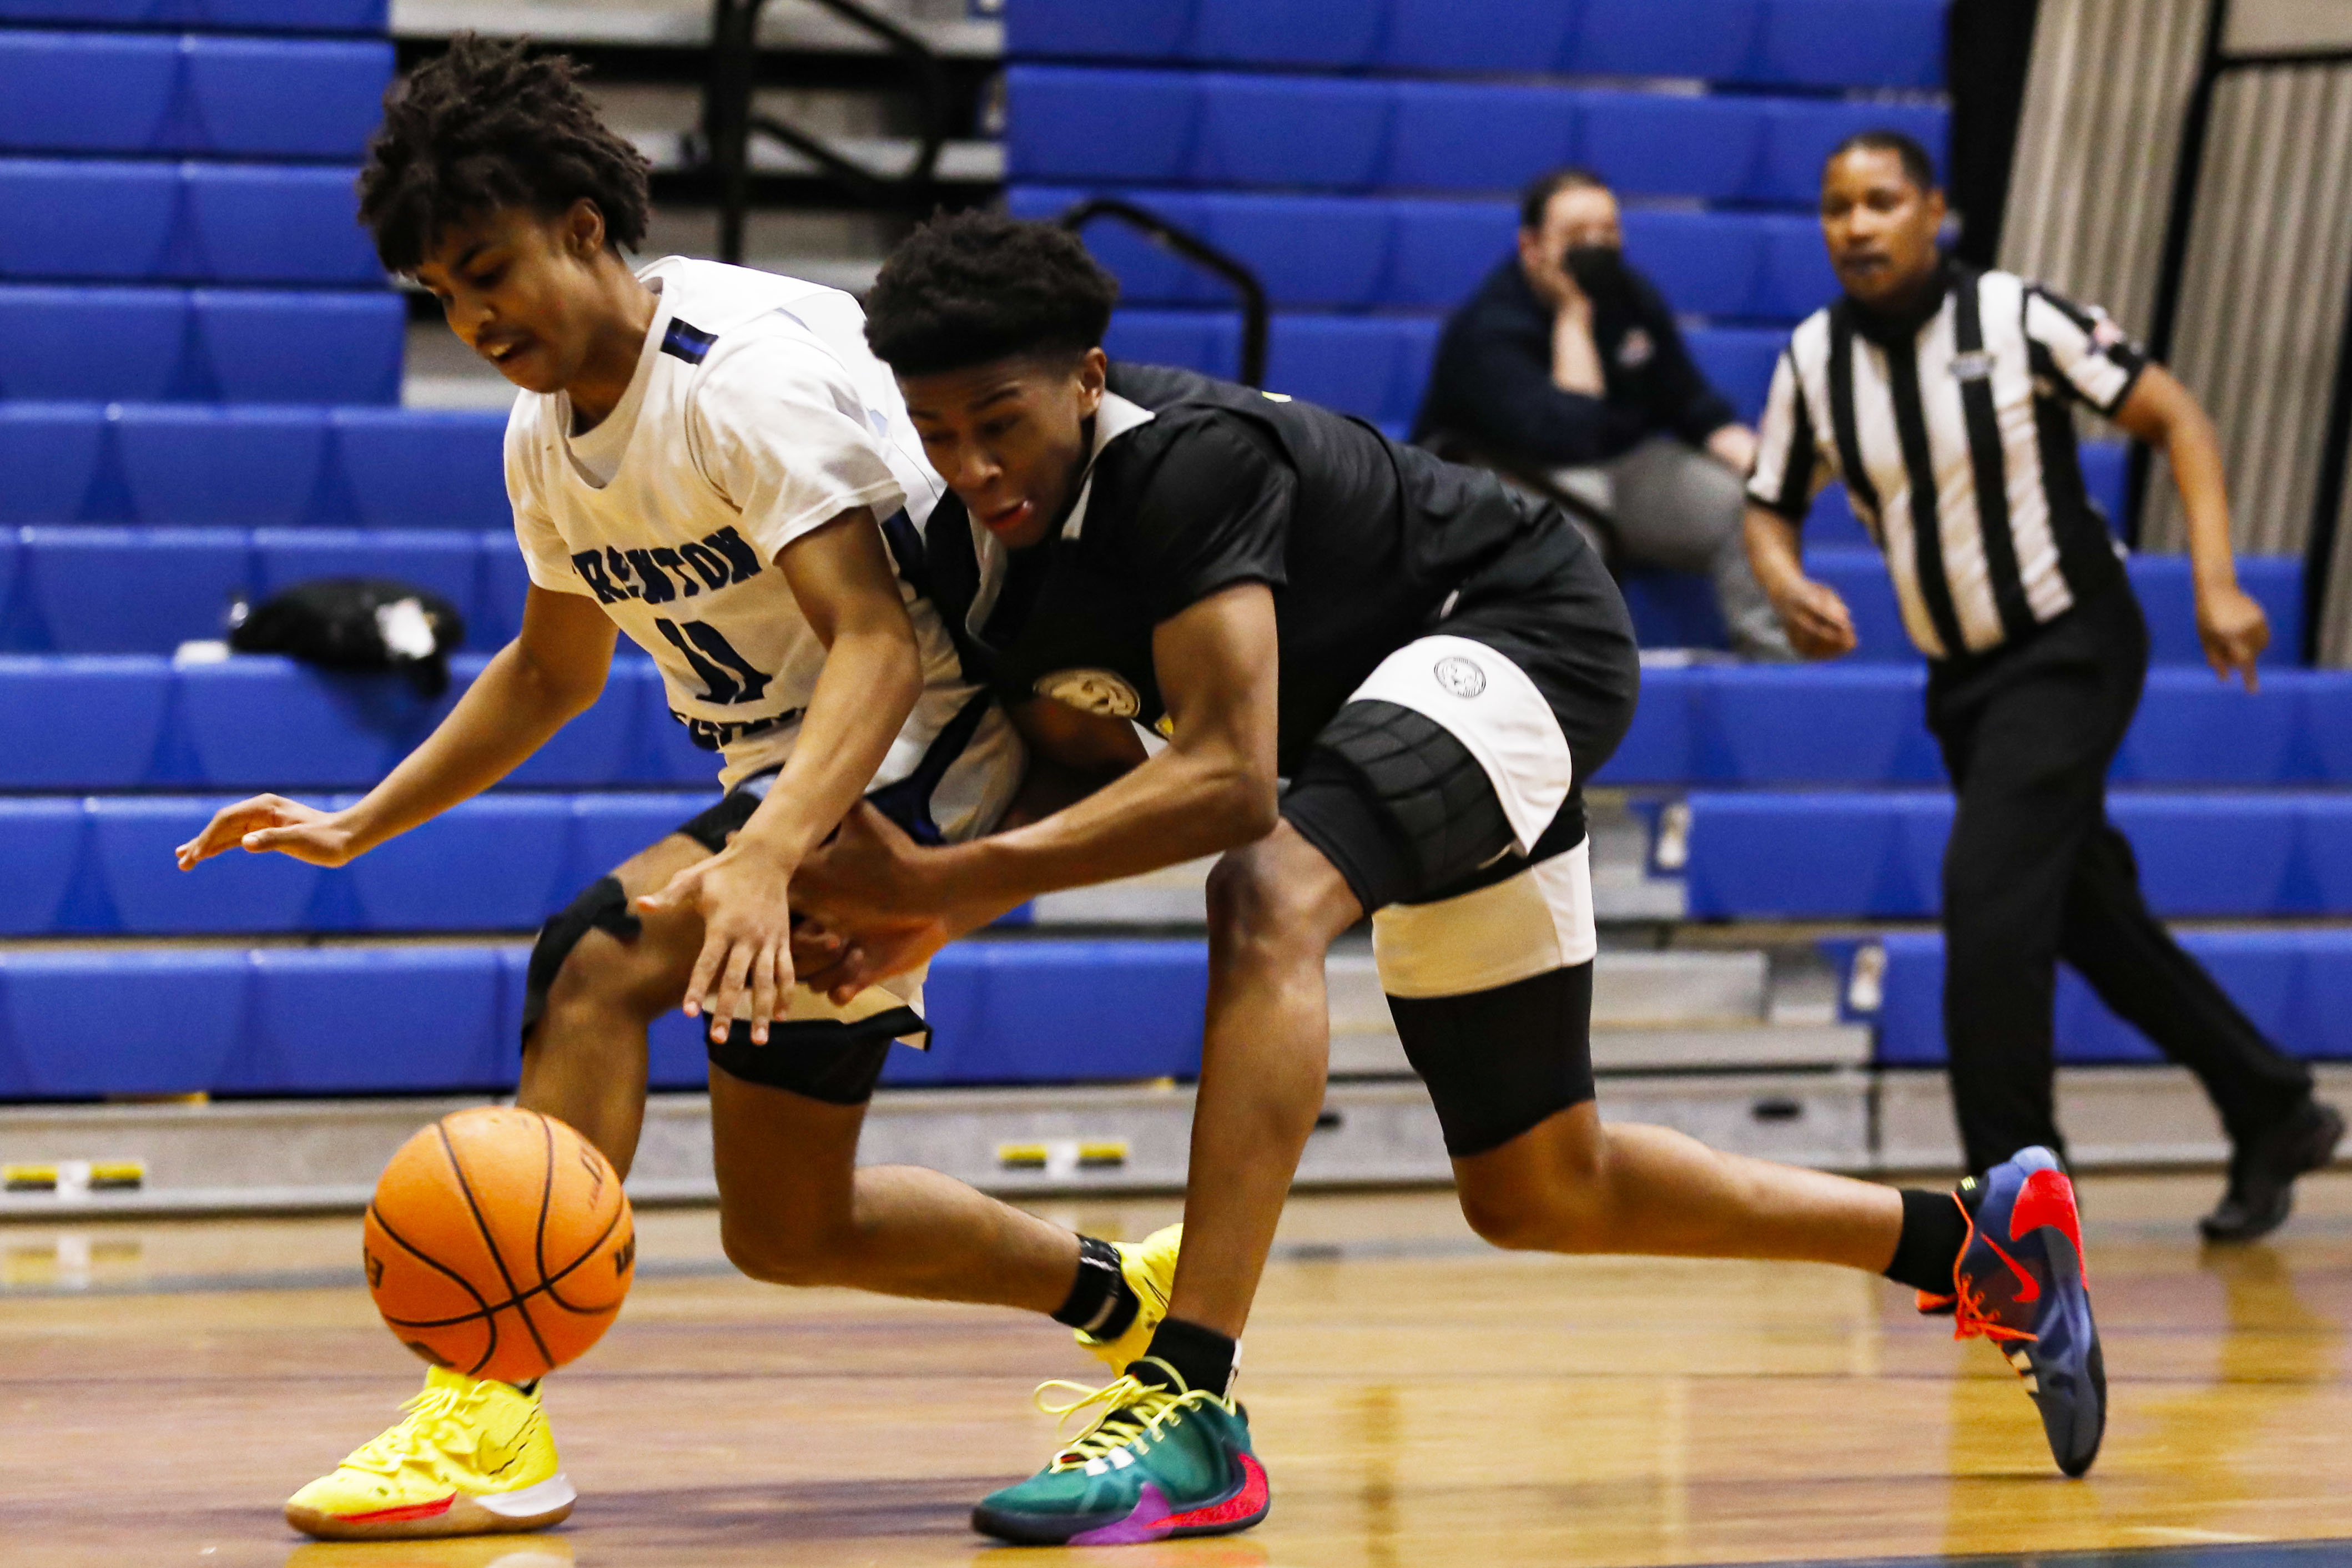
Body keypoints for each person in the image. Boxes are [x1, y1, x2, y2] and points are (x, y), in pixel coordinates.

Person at [788, 210, 2110, 1547]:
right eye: (937, 432)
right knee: (1539, 1186)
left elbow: (1233, 783)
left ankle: (1191, 1397)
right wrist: (923, 896)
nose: (972, 465)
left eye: (998, 421)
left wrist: (954, 887)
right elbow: (1075, 765)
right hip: (1383, 738)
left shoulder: (1182, 464)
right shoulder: (968, 559)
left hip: (1509, 630)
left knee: (1265, 890)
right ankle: (1971, 1242)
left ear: (1085, 375)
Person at [173, 39, 1180, 1541]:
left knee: (592, 959)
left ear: (585, 226)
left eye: (488, 268)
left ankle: (489, 1414)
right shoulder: (544, 438)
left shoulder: (739, 375)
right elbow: (547, 673)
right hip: (813, 773)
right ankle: (1127, 1295)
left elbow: (879, 650)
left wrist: (769, 853)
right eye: (442, 295)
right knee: (790, 1227)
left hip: (940, 743)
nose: (474, 315)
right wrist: (361, 817)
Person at [1742, 129, 2343, 1243]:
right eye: (1835, 207)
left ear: (1936, 214)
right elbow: (1768, 500)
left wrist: (2215, 581)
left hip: (2071, 643)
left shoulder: (2017, 316)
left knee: (1986, 893)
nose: (1856, 225)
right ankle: (2273, 1103)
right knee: (2086, 915)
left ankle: (2021, 1204)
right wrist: (1784, 582)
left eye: (1880, 201)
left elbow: (2178, 417)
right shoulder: (1813, 360)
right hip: (1962, 680)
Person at [1413, 167, 1794, 660]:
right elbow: (1570, 433)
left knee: (1744, 505)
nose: (1596, 246)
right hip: (1503, 474)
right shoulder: (1486, 330)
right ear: (1531, 247)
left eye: (1608, 232)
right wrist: (1573, 316)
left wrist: (1769, 467)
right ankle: (1576, 677)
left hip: (1618, 467)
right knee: (1571, 523)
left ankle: (1773, 664)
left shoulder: (1631, 296)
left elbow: (1688, 401)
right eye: (1576, 236)